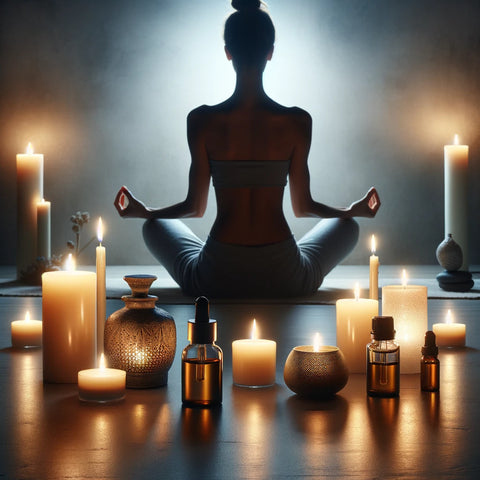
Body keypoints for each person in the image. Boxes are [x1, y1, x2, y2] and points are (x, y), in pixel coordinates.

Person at [114, 0, 380, 298]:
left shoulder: (201, 120)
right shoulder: (297, 121)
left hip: (215, 274)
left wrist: (145, 211)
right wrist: (351, 210)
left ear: (228, 52)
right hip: (285, 274)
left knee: (153, 226)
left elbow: (195, 207)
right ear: (270, 52)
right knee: (349, 227)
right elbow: (303, 207)